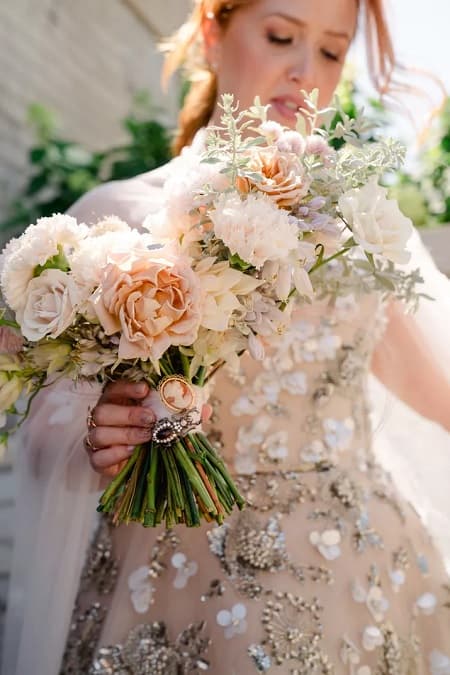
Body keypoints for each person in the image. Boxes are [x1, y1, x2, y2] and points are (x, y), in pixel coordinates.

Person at [2, 1, 450, 673]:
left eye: (331, 51)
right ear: (212, 34)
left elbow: (436, 388)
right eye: (280, 36)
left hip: (360, 593)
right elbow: (36, 425)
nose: (305, 72)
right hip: (170, 591)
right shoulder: (112, 219)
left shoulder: (353, 223)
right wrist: (95, 429)